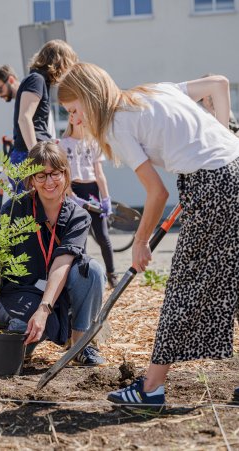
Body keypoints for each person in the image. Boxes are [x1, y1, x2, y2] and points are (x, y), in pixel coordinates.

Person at [58, 63, 239, 409]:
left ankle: (151, 388)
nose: (75, 121)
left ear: (89, 97)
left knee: (184, 285)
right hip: (234, 167)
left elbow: (155, 194)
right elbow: (218, 84)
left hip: (214, 184)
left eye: (74, 110)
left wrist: (140, 241)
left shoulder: (116, 124)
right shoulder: (154, 90)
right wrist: (224, 141)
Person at [0, 141, 105, 366]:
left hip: (51, 297)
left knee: (91, 270)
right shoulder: (14, 209)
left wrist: (43, 310)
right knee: (19, 342)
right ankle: (15, 329)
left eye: (54, 174)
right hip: (15, 296)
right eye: (40, 176)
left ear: (65, 174)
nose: (49, 182)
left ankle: (80, 345)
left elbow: (62, 264)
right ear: (31, 179)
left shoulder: (78, 216)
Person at [0, 39, 78, 169]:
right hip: (30, 155)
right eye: (68, 65)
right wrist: (35, 155)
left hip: (30, 153)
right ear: (60, 62)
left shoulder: (38, 80)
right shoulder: (36, 79)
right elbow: (24, 118)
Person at [60, 115, 118, 288]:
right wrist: (71, 196)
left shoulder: (93, 143)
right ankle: (82, 275)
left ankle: (112, 274)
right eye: (73, 115)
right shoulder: (63, 144)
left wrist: (106, 198)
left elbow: (99, 174)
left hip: (92, 190)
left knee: (103, 236)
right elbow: (63, 174)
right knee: (80, 236)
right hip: (74, 190)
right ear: (70, 119)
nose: (78, 119)